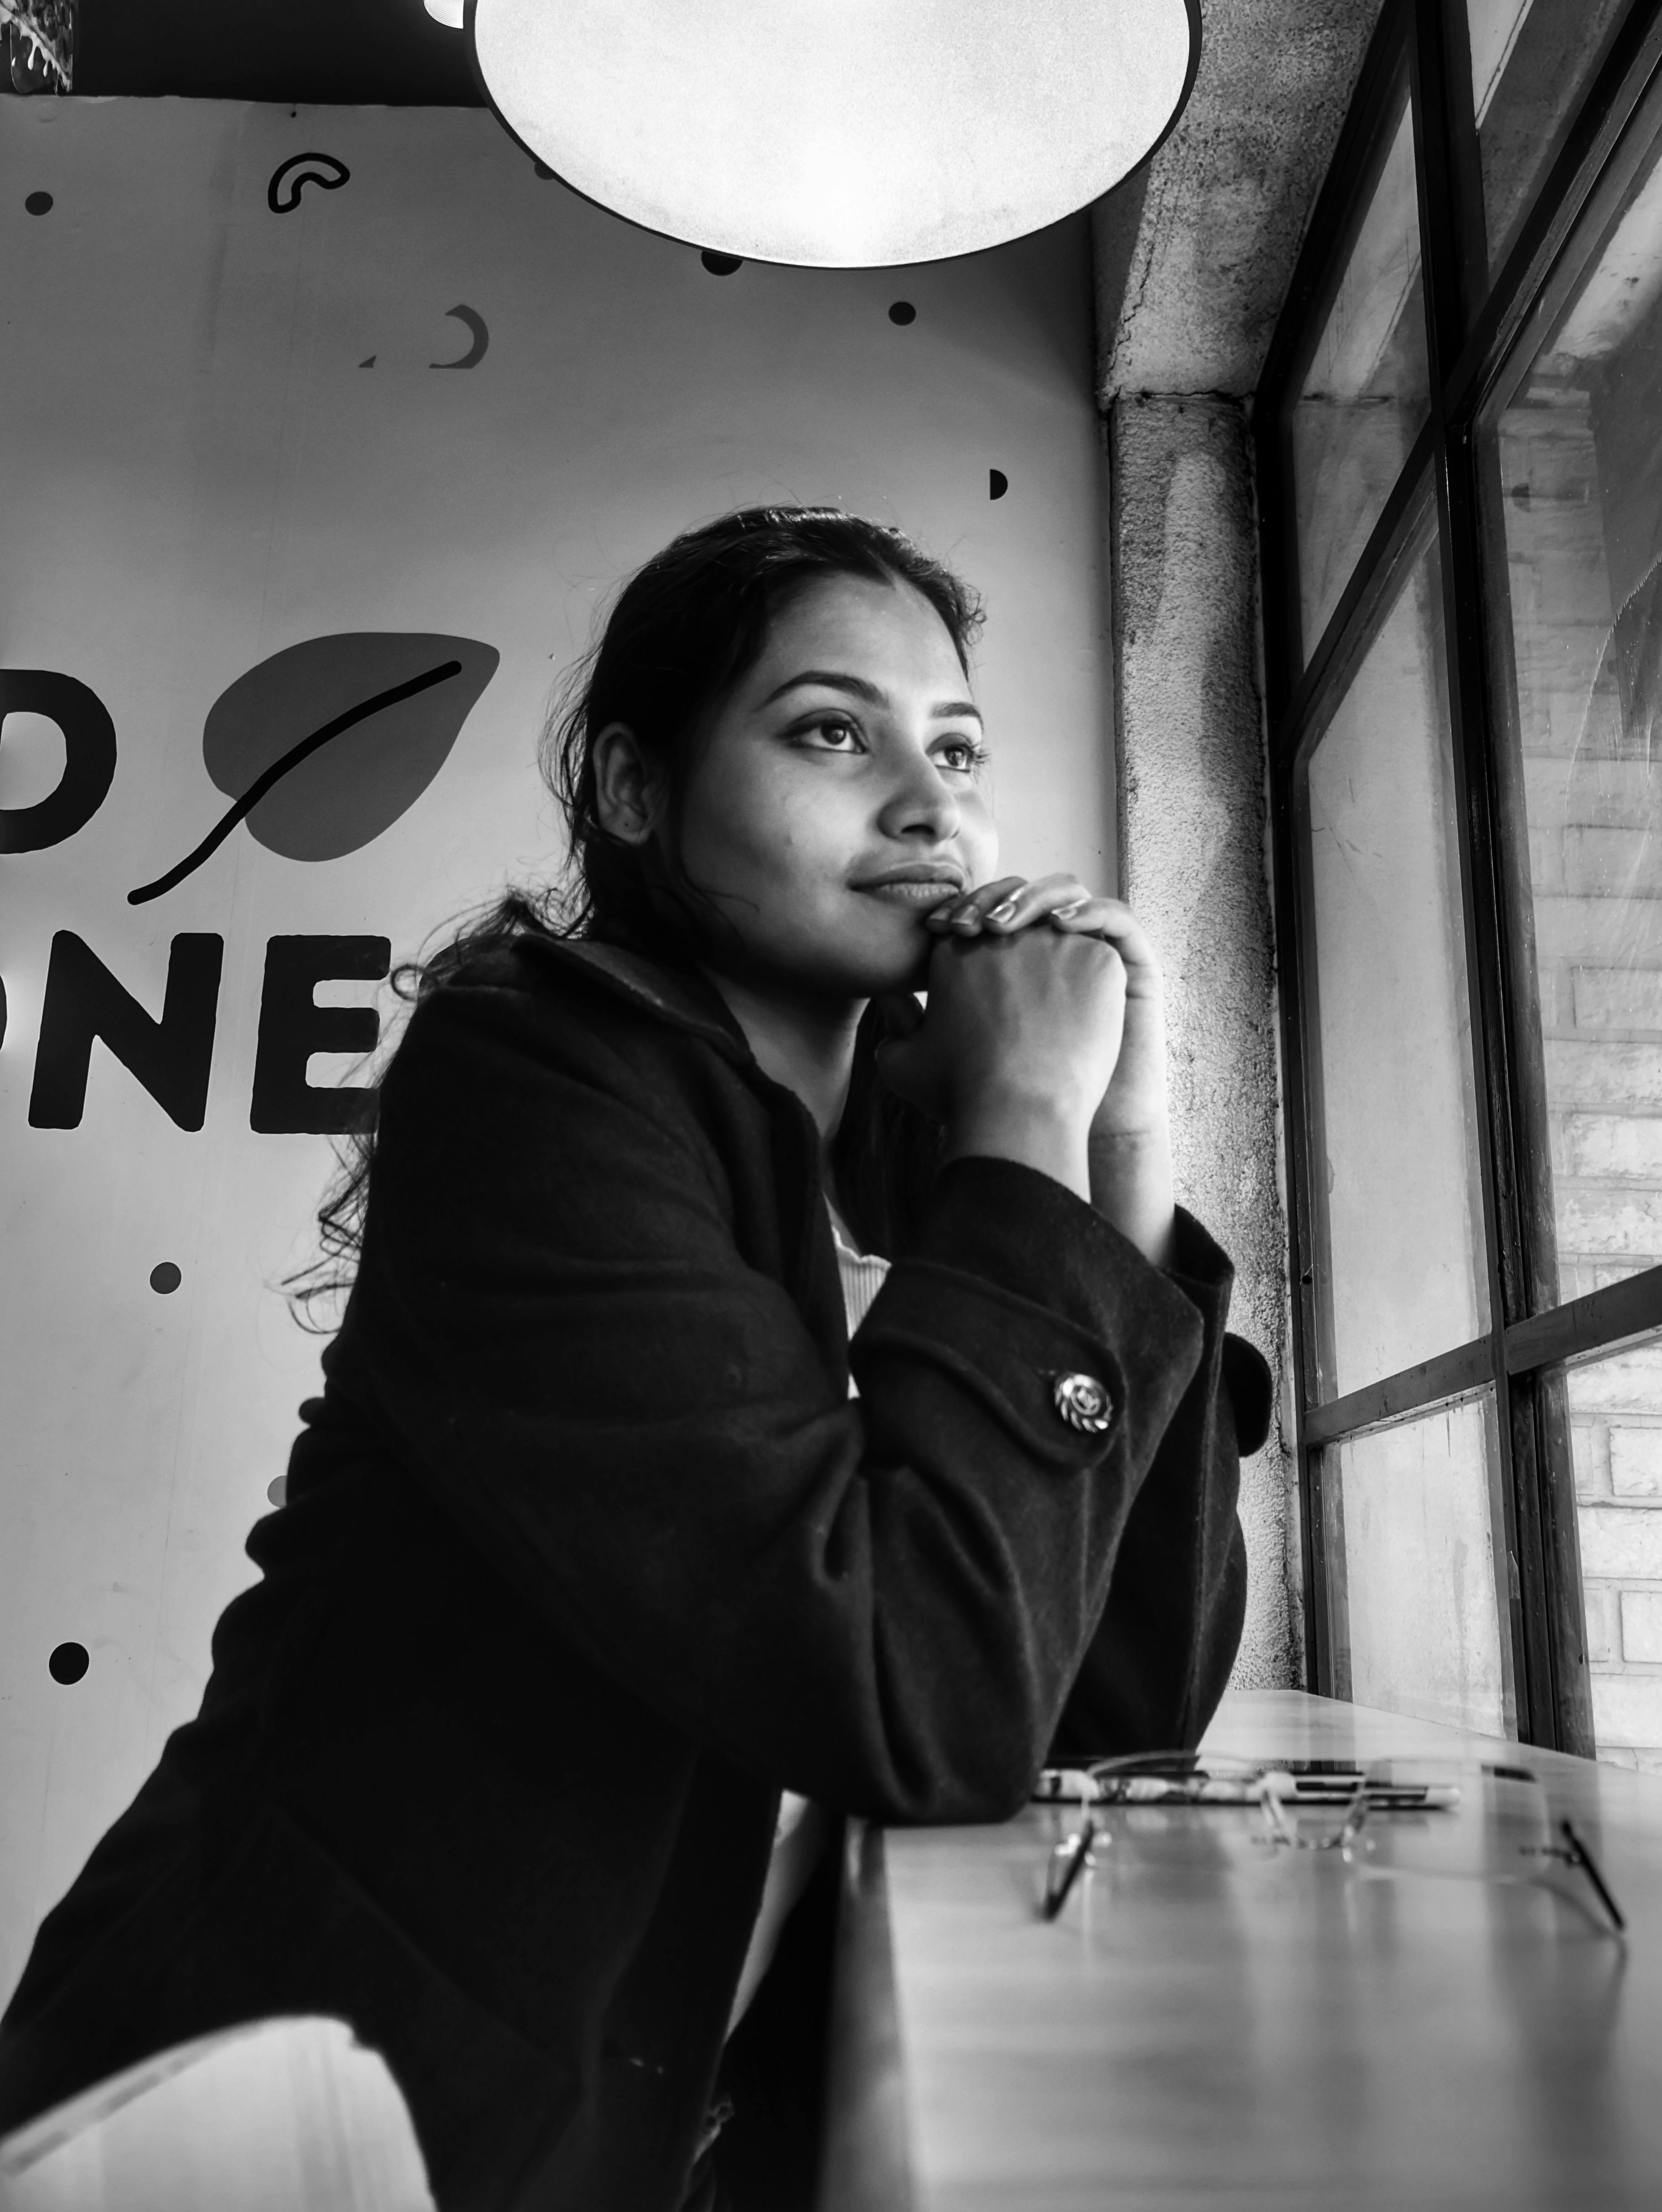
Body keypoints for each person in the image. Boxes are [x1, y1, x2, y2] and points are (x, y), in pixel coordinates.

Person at [0, 505, 1271, 2212]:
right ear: (630, 788)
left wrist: (1123, 1164)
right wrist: (1027, 1131)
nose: (931, 804)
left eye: (956, 747)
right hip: (287, 2120)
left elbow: (1113, 1708)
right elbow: (917, 1700)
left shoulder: (932, 1181)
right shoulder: (534, 1075)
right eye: (833, 731)